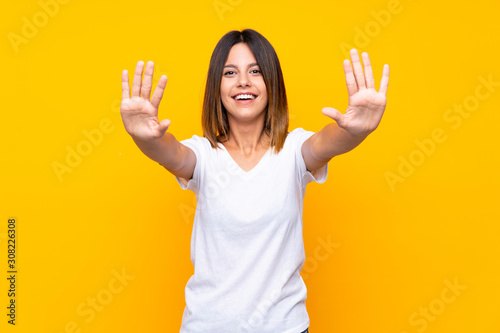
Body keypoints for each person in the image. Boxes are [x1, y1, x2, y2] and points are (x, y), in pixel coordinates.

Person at [120, 28, 389, 333]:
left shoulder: (293, 152)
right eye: (230, 72)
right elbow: (171, 154)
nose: (243, 81)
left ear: (271, 83)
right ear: (217, 87)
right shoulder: (203, 155)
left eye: (256, 71)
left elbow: (328, 142)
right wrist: (142, 137)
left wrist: (357, 130)